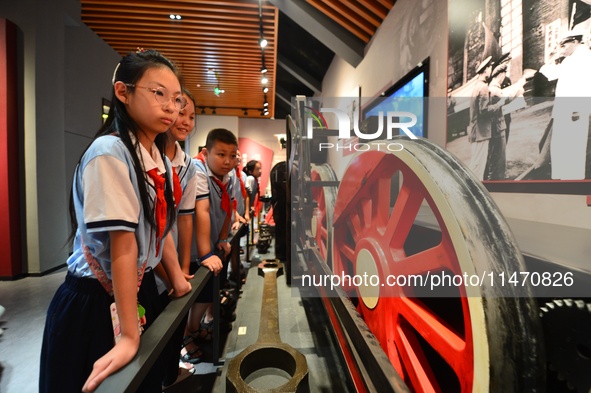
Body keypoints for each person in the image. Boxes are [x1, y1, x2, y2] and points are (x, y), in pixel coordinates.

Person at [39, 49, 192, 393]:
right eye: (159, 94)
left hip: (139, 290)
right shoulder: (109, 152)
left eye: (177, 98)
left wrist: (178, 281)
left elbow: (158, 230)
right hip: (96, 300)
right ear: (123, 92)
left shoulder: (158, 160)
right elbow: (122, 245)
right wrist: (127, 334)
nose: (171, 107)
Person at [154, 88, 199, 389]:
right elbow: (151, 227)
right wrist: (171, 274)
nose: (184, 120)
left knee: (170, 325)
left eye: (191, 116)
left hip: (166, 260)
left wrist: (182, 269)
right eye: (180, 112)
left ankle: (170, 374)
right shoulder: (148, 157)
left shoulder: (187, 165)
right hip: (149, 263)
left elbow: (184, 219)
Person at [181, 129, 236, 362]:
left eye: (232, 156)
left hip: (210, 246)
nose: (227, 161)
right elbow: (199, 212)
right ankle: (184, 338)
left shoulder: (228, 177)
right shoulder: (197, 170)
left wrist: (223, 238)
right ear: (206, 153)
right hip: (191, 249)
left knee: (205, 293)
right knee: (186, 298)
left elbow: (227, 208)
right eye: (221, 154)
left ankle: (192, 330)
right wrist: (204, 253)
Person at [540, 27, 591, 180]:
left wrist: (577, 108)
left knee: (573, 148)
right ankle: (562, 179)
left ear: (575, 41)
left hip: (575, 111)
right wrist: (553, 57)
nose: (562, 48)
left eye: (564, 44)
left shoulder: (586, 57)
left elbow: (586, 84)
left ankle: (572, 180)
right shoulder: (569, 59)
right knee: (560, 147)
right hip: (564, 110)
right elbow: (549, 73)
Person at [468, 56, 504, 180]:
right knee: (477, 166)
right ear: (486, 70)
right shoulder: (483, 87)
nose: (491, 70)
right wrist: (499, 104)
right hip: (481, 132)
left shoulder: (476, 86)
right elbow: (484, 110)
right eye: (490, 68)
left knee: (476, 163)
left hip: (476, 131)